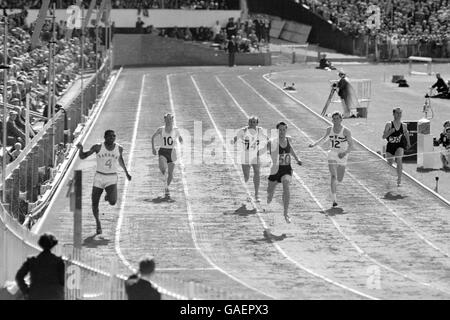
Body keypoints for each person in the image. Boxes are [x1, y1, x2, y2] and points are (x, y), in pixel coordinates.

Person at [77, 130, 132, 234]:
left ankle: (108, 194)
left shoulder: (119, 148)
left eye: (114, 136)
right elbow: (83, 156)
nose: (112, 138)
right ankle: (98, 223)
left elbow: (121, 160)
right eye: (110, 136)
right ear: (105, 137)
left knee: (113, 202)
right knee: (94, 203)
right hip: (99, 177)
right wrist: (80, 149)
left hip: (111, 178)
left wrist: (127, 173)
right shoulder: (97, 147)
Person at [264, 121, 302, 239]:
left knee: (286, 186)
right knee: (270, 194)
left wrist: (297, 159)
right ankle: (269, 198)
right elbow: (264, 150)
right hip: (275, 170)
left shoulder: (288, 140)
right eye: (280, 130)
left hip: (286, 169)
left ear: (286, 130)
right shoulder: (272, 142)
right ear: (277, 131)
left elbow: (291, 150)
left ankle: (285, 213)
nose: (282, 131)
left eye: (284, 129)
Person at [309, 111, 354, 207]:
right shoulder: (329, 129)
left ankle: (334, 188)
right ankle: (334, 200)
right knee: (333, 176)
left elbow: (351, 145)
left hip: (342, 155)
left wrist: (344, 153)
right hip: (332, 154)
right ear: (332, 120)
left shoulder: (346, 131)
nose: (336, 120)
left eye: (338, 118)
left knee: (340, 179)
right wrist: (314, 144)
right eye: (334, 119)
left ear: (341, 119)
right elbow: (323, 139)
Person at [15, 233, 65, 300]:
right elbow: (62, 280)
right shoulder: (59, 262)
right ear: (53, 245)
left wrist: (26, 291)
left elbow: (19, 276)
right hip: (55, 295)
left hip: (35, 295)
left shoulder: (32, 261)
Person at [231, 115, 267, 202]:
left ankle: (256, 194)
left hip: (255, 155)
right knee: (246, 176)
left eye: (254, 122)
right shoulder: (244, 130)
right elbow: (235, 139)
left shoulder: (260, 130)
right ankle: (247, 194)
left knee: (257, 173)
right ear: (248, 122)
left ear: (257, 123)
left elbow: (266, 140)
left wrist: (263, 149)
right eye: (250, 121)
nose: (252, 123)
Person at [151, 113, 183, 198]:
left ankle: (166, 187)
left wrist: (180, 139)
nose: (169, 120)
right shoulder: (160, 129)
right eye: (167, 119)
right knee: (163, 170)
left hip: (172, 152)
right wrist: (153, 148)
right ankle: (165, 185)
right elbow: (153, 137)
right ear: (164, 119)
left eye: (170, 119)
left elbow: (180, 139)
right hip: (163, 151)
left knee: (170, 173)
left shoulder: (176, 130)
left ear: (172, 120)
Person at [382, 108, 411, 186]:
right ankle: (393, 174)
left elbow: (406, 133)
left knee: (399, 159)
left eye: (400, 113)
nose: (399, 115)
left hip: (399, 145)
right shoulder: (389, 124)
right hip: (390, 146)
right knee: (390, 163)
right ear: (393, 114)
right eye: (397, 113)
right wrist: (390, 132)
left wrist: (408, 143)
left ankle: (399, 179)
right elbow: (383, 136)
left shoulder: (404, 125)